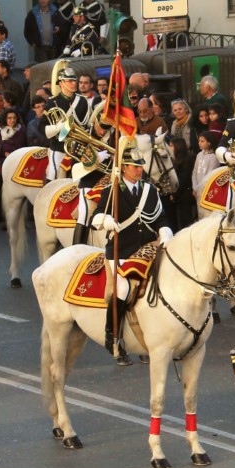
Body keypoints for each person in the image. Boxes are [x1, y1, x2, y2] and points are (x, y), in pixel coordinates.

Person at [89, 137, 169, 364]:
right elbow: (95, 217)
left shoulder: (149, 190)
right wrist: (105, 220)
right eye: (136, 166)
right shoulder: (112, 190)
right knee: (123, 289)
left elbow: (160, 217)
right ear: (124, 168)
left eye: (141, 166)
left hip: (145, 248)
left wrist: (165, 231)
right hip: (121, 251)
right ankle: (112, 336)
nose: (140, 170)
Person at [42, 64, 94, 178]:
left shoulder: (82, 101)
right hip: (60, 147)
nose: (74, 83)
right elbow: (42, 128)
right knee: (53, 174)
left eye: (74, 80)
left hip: (80, 148)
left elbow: (89, 124)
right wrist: (57, 128)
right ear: (61, 83)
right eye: (69, 81)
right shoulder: (52, 103)